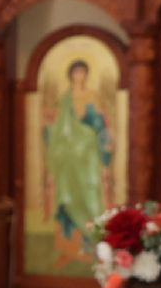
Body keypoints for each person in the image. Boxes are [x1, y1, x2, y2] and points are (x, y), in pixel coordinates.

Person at [45, 59, 112, 268]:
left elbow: (101, 127)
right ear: (70, 75)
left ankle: (93, 248)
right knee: (67, 199)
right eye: (76, 72)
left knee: (90, 200)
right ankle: (69, 249)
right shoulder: (64, 99)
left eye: (83, 72)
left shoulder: (93, 97)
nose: (79, 76)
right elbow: (57, 130)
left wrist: (105, 158)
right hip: (68, 159)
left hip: (88, 157)